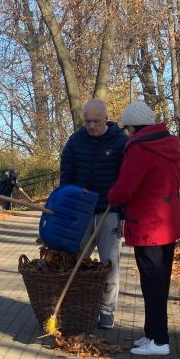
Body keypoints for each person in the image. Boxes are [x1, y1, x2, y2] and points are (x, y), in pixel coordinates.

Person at [107, 100, 180, 356]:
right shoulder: (169, 145)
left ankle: (160, 341)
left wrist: (112, 196)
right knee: (158, 282)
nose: (127, 133)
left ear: (133, 127)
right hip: (168, 223)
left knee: (152, 284)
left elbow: (126, 187)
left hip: (148, 226)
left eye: (127, 128)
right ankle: (152, 333)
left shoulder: (140, 149)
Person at [59, 99, 128, 329]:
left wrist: (122, 213)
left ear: (106, 119)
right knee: (75, 259)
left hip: (110, 210)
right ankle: (75, 305)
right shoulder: (76, 141)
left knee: (110, 263)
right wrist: (67, 204)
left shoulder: (120, 142)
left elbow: (127, 179)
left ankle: (106, 311)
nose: (91, 126)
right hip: (81, 211)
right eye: (87, 121)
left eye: (96, 121)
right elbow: (66, 175)